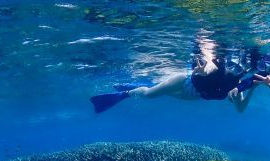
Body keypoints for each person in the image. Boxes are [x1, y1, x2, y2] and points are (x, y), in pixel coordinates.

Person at [91, 38, 255, 113]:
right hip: (184, 82)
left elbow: (240, 109)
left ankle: (138, 86)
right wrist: (203, 71)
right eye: (232, 65)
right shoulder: (216, 66)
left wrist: (252, 88)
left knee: (162, 92)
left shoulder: (237, 84)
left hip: (195, 95)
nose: (233, 70)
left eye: (239, 69)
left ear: (244, 71)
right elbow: (208, 68)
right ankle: (125, 94)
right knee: (149, 95)